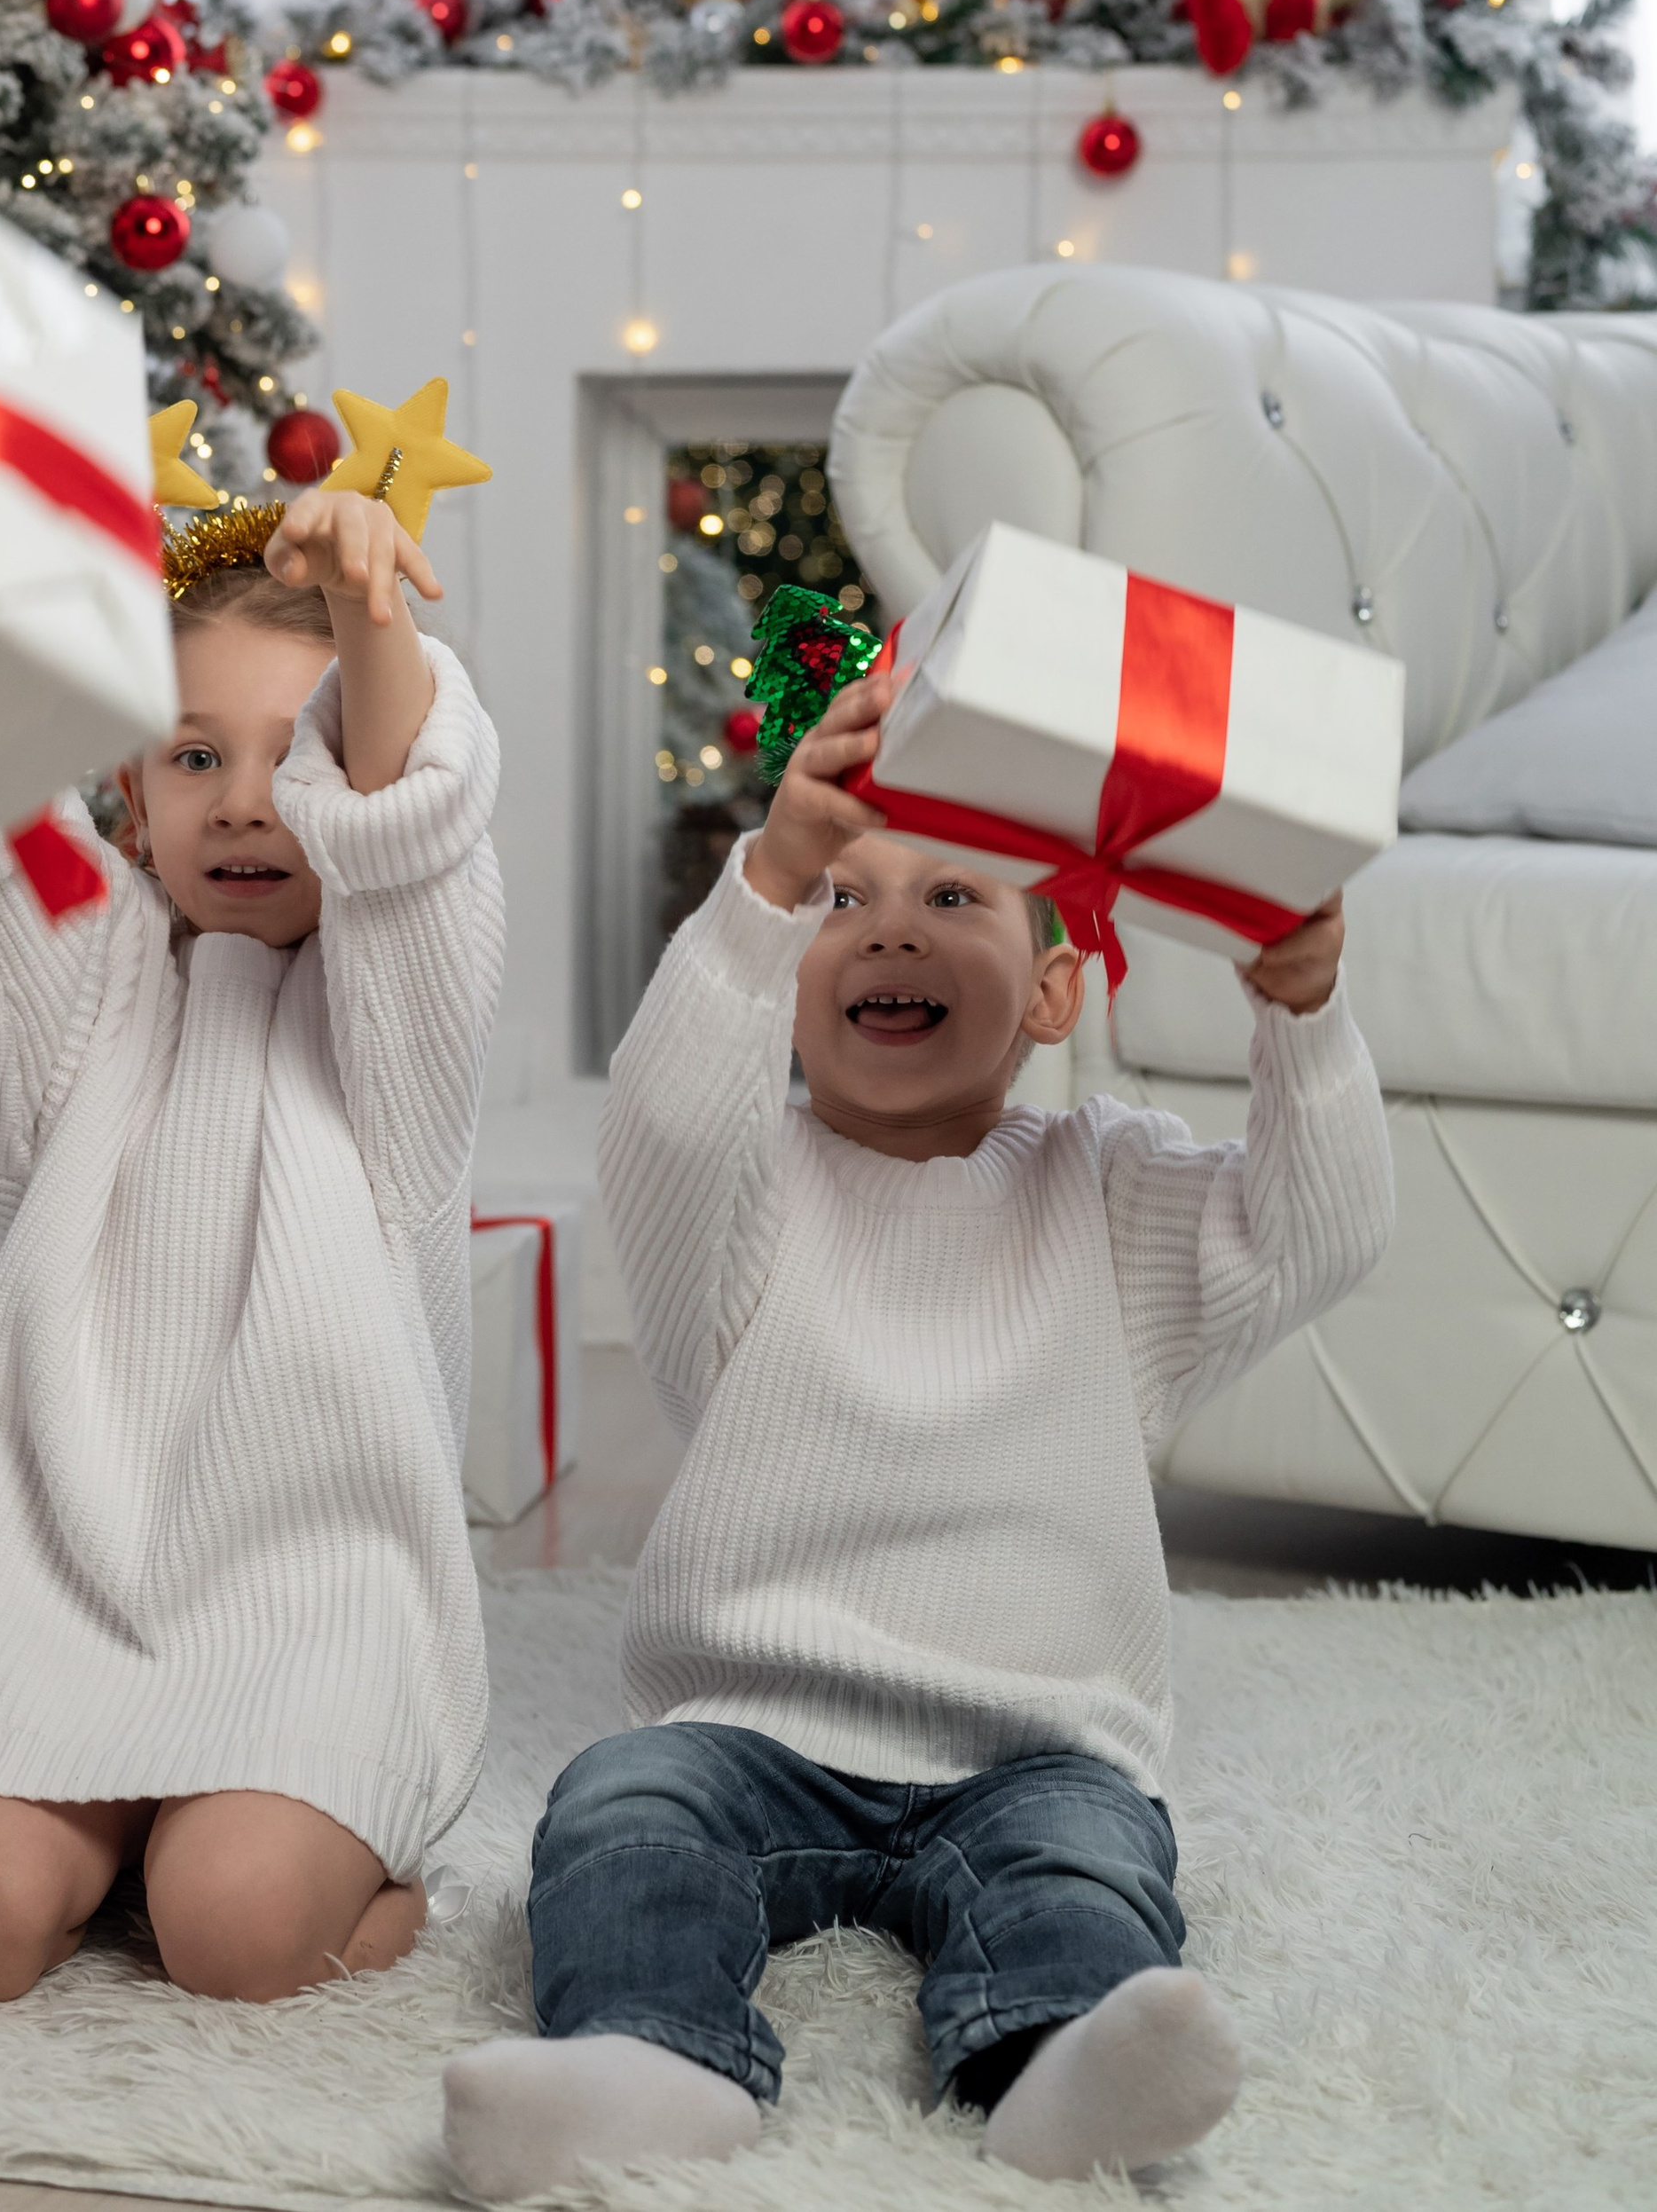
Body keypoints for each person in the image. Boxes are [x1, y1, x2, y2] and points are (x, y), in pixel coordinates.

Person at [444, 655, 1391, 2192]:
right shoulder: (736, 1198)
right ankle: (647, 2055)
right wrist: (767, 876)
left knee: (1090, 1865)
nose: (884, 923)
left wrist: (1305, 1007)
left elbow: (1317, 1230)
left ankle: (1057, 2065)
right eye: (844, 900)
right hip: (748, 1725)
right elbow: (671, 1109)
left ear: (1056, 980)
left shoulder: (1111, 1188)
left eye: (954, 896)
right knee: (622, 1811)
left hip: (1035, 1739)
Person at [0, 479, 500, 2005]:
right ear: (131, 803)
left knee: (234, 1934)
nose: (247, 799)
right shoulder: (85, 1009)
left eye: (300, 756)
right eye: (196, 755)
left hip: (309, 1600)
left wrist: (370, 619)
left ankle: (343, 1860)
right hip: (52, 1582)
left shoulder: (393, 1036)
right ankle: (99, 1825)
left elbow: (419, 843)